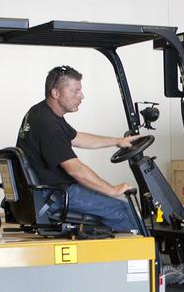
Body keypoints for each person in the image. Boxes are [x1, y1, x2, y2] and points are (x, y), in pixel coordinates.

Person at [17, 65, 142, 234]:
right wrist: (113, 190)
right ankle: (145, 257)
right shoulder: (48, 125)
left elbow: (77, 138)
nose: (81, 96)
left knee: (112, 208)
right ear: (56, 93)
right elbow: (76, 170)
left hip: (47, 192)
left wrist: (117, 141)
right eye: (75, 91)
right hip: (56, 196)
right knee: (125, 212)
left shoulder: (40, 112)